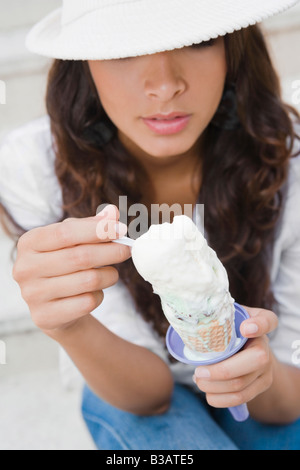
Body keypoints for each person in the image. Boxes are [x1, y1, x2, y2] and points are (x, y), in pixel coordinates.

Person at [1, 0, 300, 450]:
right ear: (82, 62)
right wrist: (68, 325)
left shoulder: (286, 163)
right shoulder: (36, 168)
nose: (165, 86)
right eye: (124, 48)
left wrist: (260, 371)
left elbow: (287, 401)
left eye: (198, 40)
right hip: (124, 383)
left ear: (233, 50)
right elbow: (149, 397)